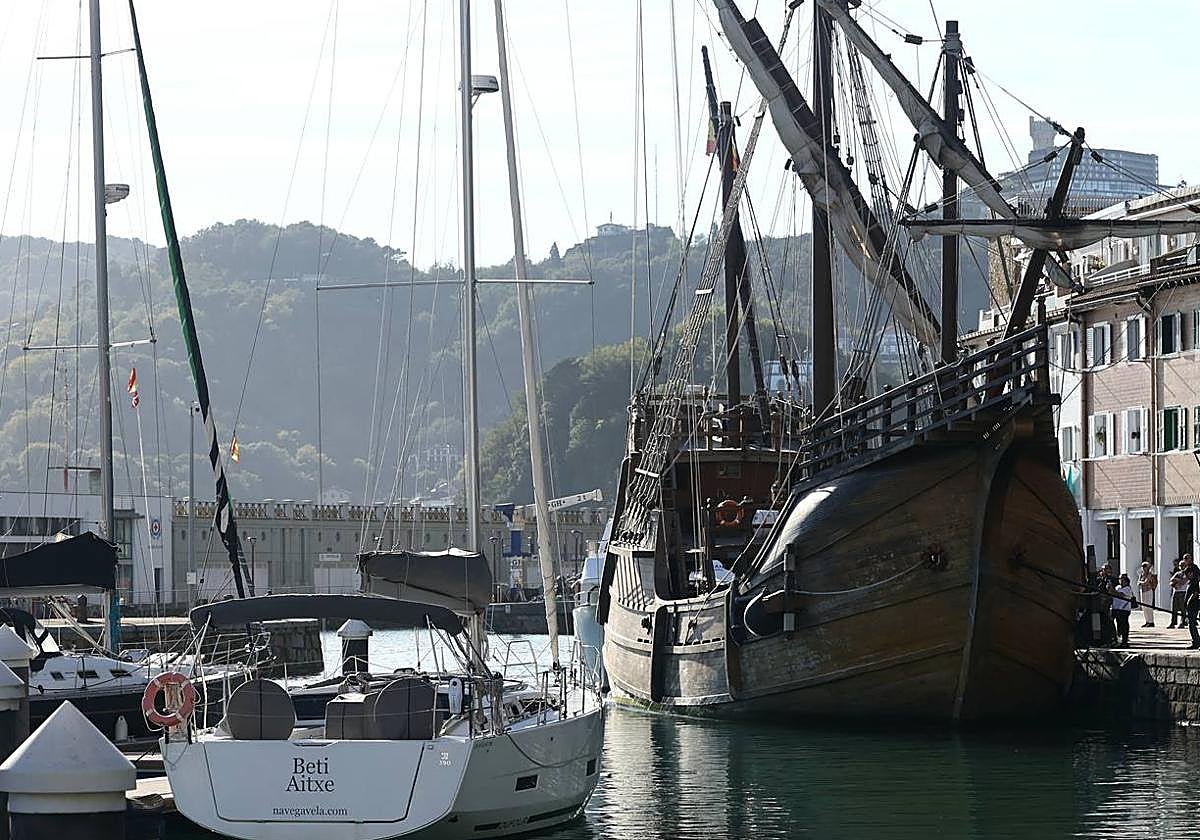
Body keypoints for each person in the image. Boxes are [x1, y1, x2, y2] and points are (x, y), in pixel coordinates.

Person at [1112, 574, 1135, 646]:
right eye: (1120, 579)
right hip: (1116, 608)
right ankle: (1119, 639)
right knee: (1118, 624)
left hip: (1124, 609)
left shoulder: (1128, 589)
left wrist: (1111, 590)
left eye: (1122, 579)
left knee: (1124, 624)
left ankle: (1124, 640)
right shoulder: (1117, 587)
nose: (1121, 581)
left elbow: (1120, 594)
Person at [1137, 561, 1157, 627]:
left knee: (1148, 606)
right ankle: (1147, 621)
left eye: (1145, 566)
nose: (1143, 568)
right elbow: (1138, 582)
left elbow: (1146, 582)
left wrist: (1141, 583)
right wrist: (1141, 582)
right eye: (1143, 566)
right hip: (1142, 591)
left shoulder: (1150, 574)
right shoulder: (1141, 574)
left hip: (1148, 591)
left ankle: (1151, 621)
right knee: (1144, 607)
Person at [1170, 560, 1189, 628]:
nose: (1181, 567)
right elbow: (1171, 579)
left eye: (1183, 565)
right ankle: (1173, 623)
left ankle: (1182, 622)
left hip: (1183, 592)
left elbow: (1184, 581)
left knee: (1182, 608)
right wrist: (1176, 582)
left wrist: (1177, 580)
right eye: (1180, 565)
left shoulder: (1187, 573)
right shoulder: (1178, 573)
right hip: (1176, 591)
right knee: (1174, 608)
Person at [1187, 564, 1200, 649]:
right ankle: (1196, 641)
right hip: (1192, 606)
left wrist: (1188, 601)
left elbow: (1195, 593)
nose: (1188, 575)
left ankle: (1196, 642)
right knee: (1191, 624)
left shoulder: (1195, 581)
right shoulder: (1192, 581)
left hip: (1194, 605)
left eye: (1189, 573)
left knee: (1192, 624)